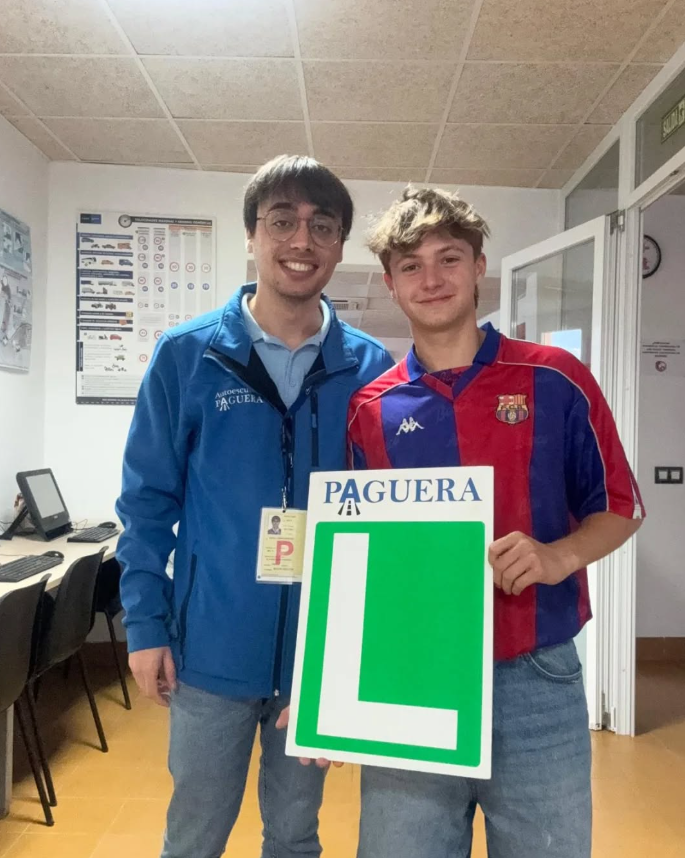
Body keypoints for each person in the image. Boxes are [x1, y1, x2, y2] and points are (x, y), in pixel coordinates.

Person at [346, 187, 644, 858]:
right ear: (391, 283)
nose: (431, 278)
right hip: (412, 676)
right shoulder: (369, 409)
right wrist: (333, 697)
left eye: (447, 258)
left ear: (479, 265)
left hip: (534, 676)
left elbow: (619, 507)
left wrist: (558, 557)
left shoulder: (555, 379)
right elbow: (357, 557)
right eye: (410, 265)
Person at [115, 155, 393, 858]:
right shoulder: (189, 357)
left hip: (317, 655)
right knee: (196, 831)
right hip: (210, 648)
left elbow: (387, 518)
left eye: (321, 226)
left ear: (337, 247)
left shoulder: (371, 370)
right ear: (250, 235)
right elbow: (147, 504)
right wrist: (146, 626)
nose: (301, 241)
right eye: (281, 221)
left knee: (296, 832)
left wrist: (356, 657)